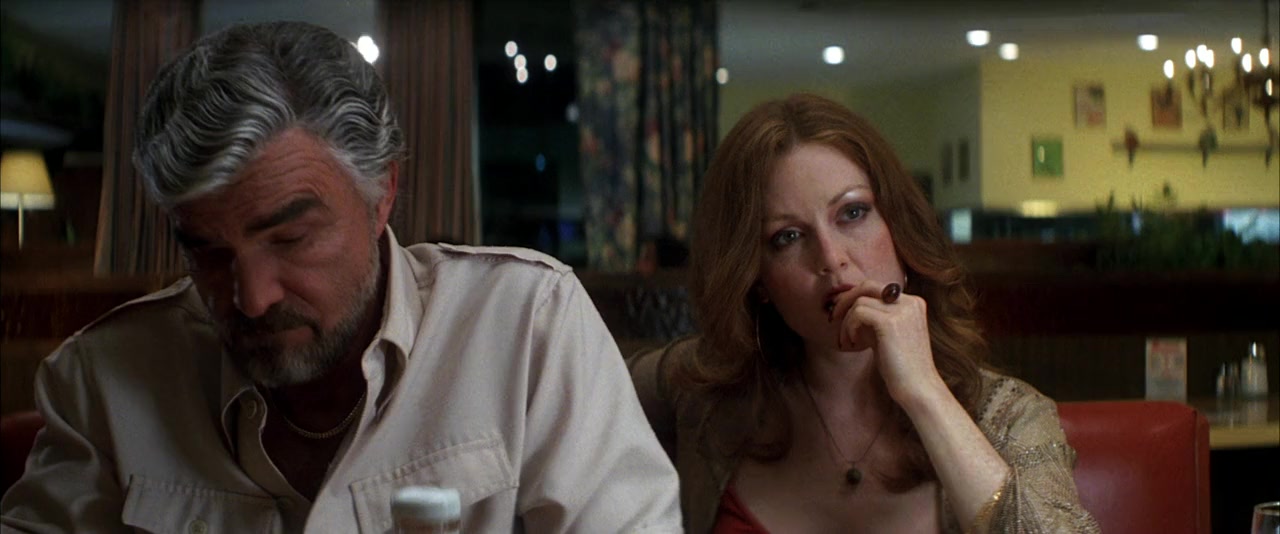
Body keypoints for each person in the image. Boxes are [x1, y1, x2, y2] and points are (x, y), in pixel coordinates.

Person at [1, 21, 680, 533]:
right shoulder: (100, 382)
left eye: (290, 238)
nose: (252, 297)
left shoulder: (529, 327)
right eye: (206, 251)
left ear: (382, 194)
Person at [627, 94, 1099, 533]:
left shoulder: (1009, 414)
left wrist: (925, 392)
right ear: (757, 278)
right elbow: (587, 387)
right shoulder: (702, 389)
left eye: (852, 214)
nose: (831, 258)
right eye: (787, 237)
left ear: (898, 227)